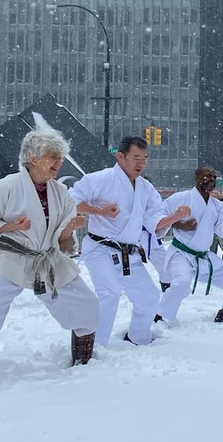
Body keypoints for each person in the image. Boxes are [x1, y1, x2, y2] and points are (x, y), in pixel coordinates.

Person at [0, 128, 98, 376]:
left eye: (60, 158)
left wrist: (68, 230)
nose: (58, 163)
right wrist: (9, 226)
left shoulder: (60, 193)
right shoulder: (8, 186)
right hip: (12, 258)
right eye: (53, 157)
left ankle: (83, 366)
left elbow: (62, 240)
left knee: (87, 305)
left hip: (48, 259)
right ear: (33, 158)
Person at [68, 135, 189, 346]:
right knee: (109, 293)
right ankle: (93, 347)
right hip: (99, 248)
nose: (141, 163)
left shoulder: (146, 188)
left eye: (144, 158)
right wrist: (100, 211)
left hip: (127, 253)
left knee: (149, 297)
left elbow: (154, 220)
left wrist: (174, 218)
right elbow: (69, 201)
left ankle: (138, 338)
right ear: (121, 156)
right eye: (136, 157)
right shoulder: (100, 179)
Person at [156, 166, 223, 326]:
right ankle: (160, 315)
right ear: (197, 178)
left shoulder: (217, 205)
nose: (211, 179)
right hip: (181, 253)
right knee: (182, 283)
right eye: (207, 176)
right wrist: (181, 224)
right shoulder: (179, 198)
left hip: (203, 256)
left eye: (213, 176)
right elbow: (160, 220)